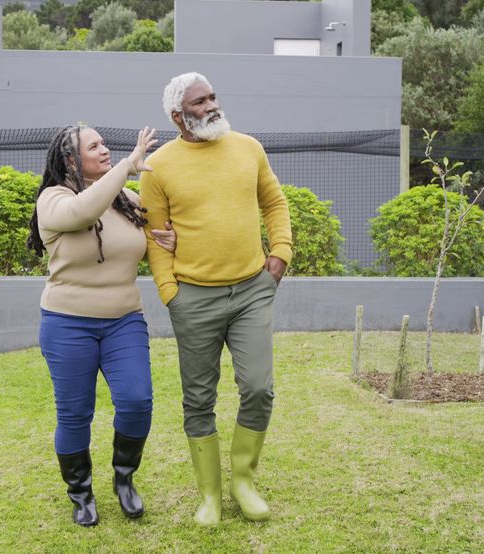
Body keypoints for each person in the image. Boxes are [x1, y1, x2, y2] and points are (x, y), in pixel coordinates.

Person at [139, 72, 293, 525]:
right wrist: (170, 292)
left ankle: (243, 482)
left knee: (259, 388)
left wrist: (280, 253)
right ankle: (209, 495)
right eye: (199, 102)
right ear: (178, 116)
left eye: (212, 97)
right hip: (192, 298)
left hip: (251, 291)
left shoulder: (249, 148)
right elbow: (154, 236)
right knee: (198, 398)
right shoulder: (158, 167)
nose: (211, 106)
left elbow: (274, 203)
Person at [27, 125, 173, 527]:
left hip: (124, 321)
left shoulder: (127, 200)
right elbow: (84, 212)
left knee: (137, 401)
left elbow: (155, 239)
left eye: (105, 144)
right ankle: (80, 492)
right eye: (94, 146)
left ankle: (124, 478)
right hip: (67, 324)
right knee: (75, 413)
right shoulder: (54, 199)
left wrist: (170, 242)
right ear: (71, 160)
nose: (105, 150)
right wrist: (128, 166)